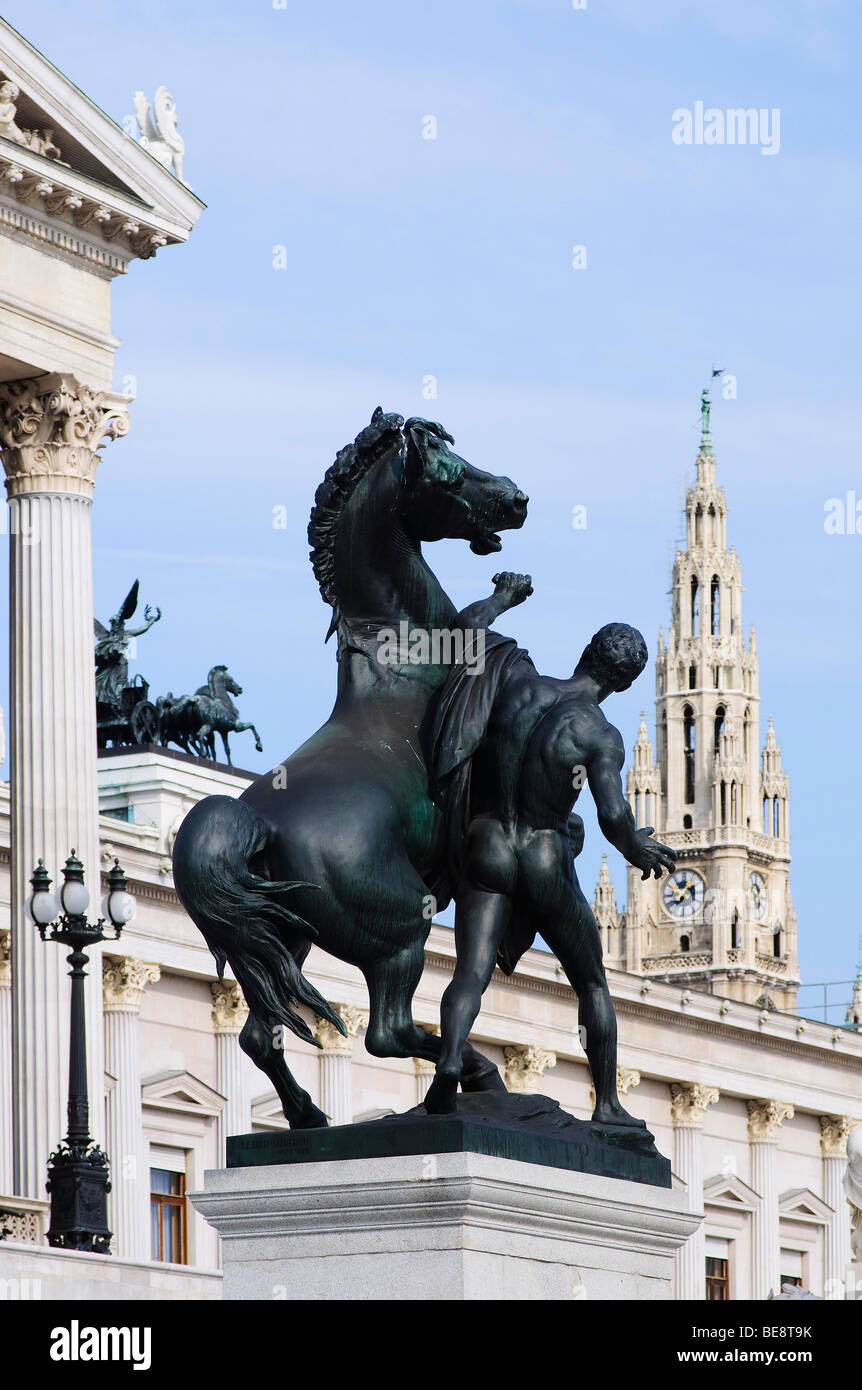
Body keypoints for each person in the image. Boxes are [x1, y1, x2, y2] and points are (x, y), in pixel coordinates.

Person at [425, 621, 676, 1123]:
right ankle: (606, 1105)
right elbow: (612, 816)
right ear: (623, 684)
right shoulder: (599, 734)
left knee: (470, 972)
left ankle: (450, 1059)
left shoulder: (518, 684)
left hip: (487, 843)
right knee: (591, 984)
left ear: (585, 650)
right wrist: (637, 848)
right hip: (543, 855)